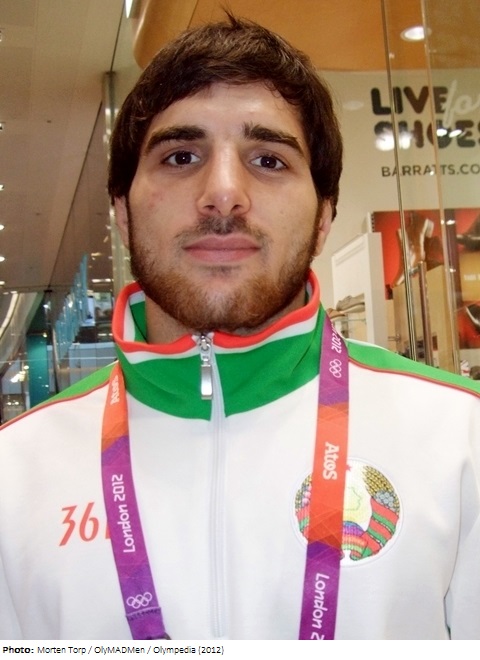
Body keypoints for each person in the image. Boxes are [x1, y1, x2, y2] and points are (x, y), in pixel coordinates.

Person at [0, 14, 479, 641]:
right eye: (181, 156)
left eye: (268, 159)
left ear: (323, 217)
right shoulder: (16, 472)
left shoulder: (461, 439)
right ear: (122, 211)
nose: (224, 193)